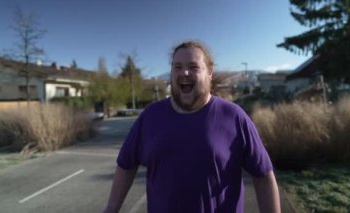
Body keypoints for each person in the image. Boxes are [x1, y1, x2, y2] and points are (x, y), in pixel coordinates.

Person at [104, 40, 281, 213]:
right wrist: (111, 209)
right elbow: (126, 166)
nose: (184, 73)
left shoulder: (234, 117)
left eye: (193, 67)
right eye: (177, 67)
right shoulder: (150, 117)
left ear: (209, 72)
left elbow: (263, 175)